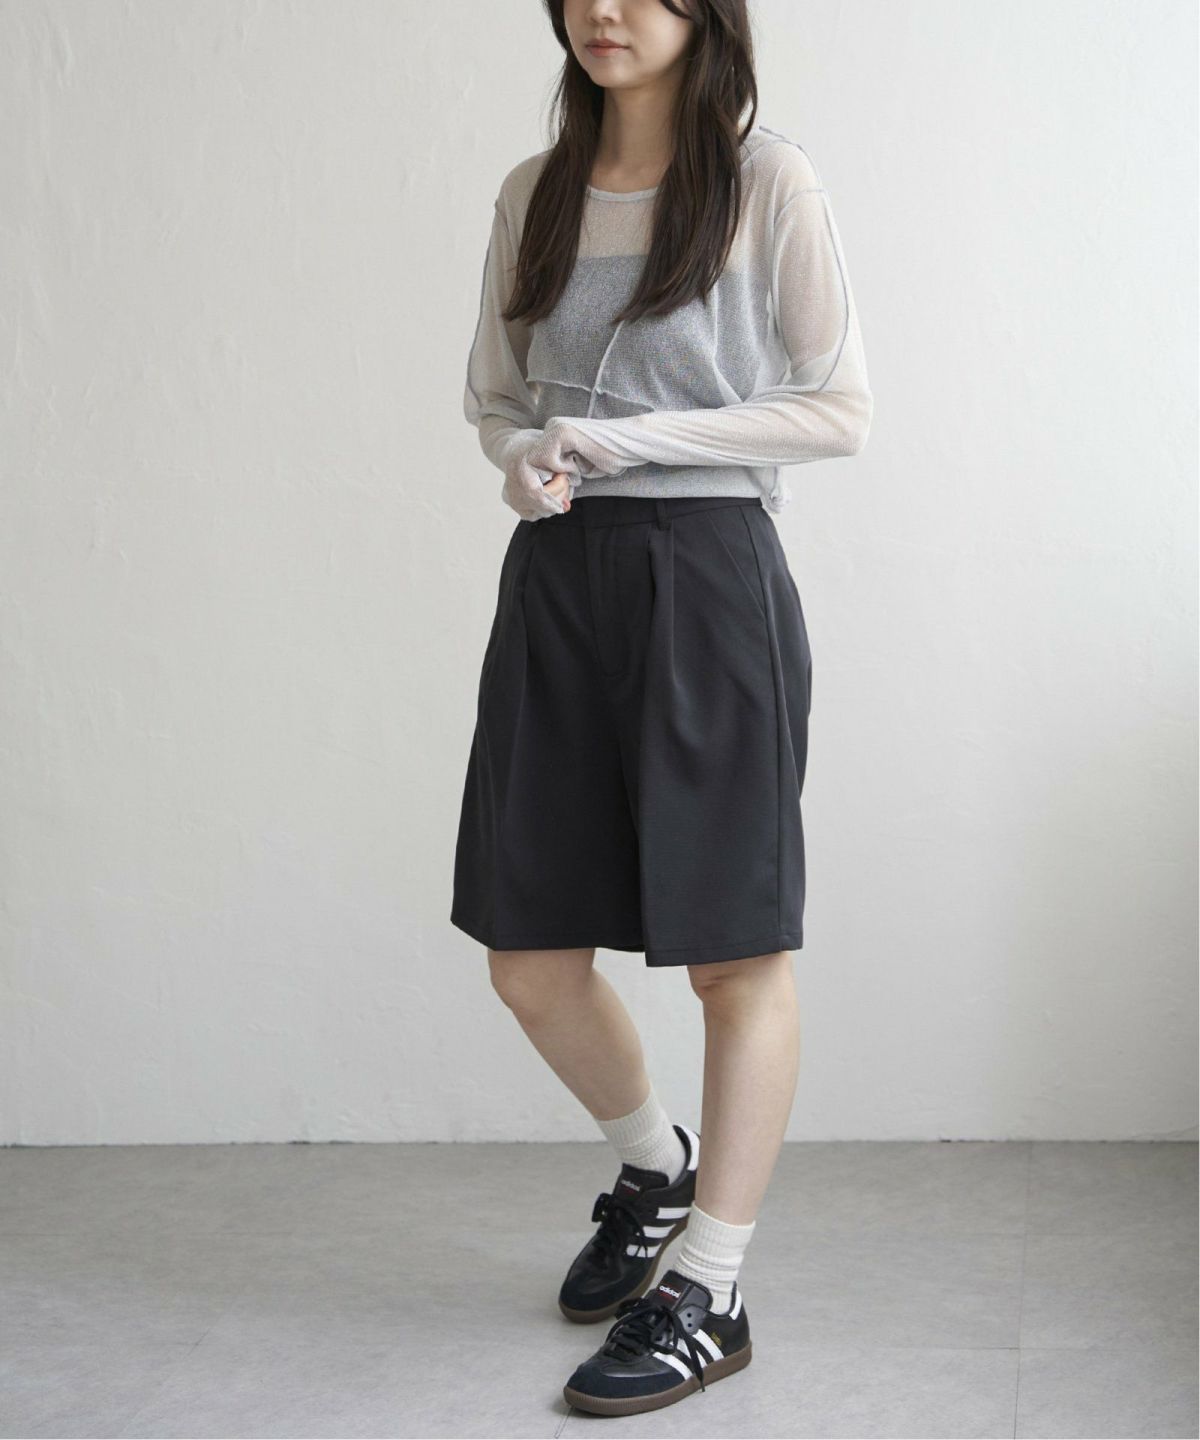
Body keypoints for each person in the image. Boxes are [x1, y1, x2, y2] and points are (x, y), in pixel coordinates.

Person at [451, 0, 872, 1418]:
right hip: (559, 579)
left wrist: (629, 441)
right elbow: (497, 398)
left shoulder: (767, 181)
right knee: (527, 954)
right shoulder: (535, 193)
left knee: (733, 953)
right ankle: (654, 1168)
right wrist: (525, 459)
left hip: (708, 575)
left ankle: (713, 1287)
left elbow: (837, 407)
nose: (603, 9)